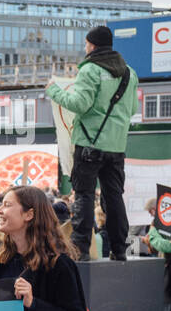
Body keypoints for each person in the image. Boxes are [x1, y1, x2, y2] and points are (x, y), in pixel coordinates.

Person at [46, 25, 137, 261]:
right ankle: (119, 249)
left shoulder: (90, 71)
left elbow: (80, 103)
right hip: (116, 146)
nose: (85, 48)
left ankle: (81, 249)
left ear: (92, 45)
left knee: (84, 195)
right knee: (114, 196)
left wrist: (54, 91)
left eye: (86, 44)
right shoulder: (129, 73)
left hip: (89, 143)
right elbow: (132, 109)